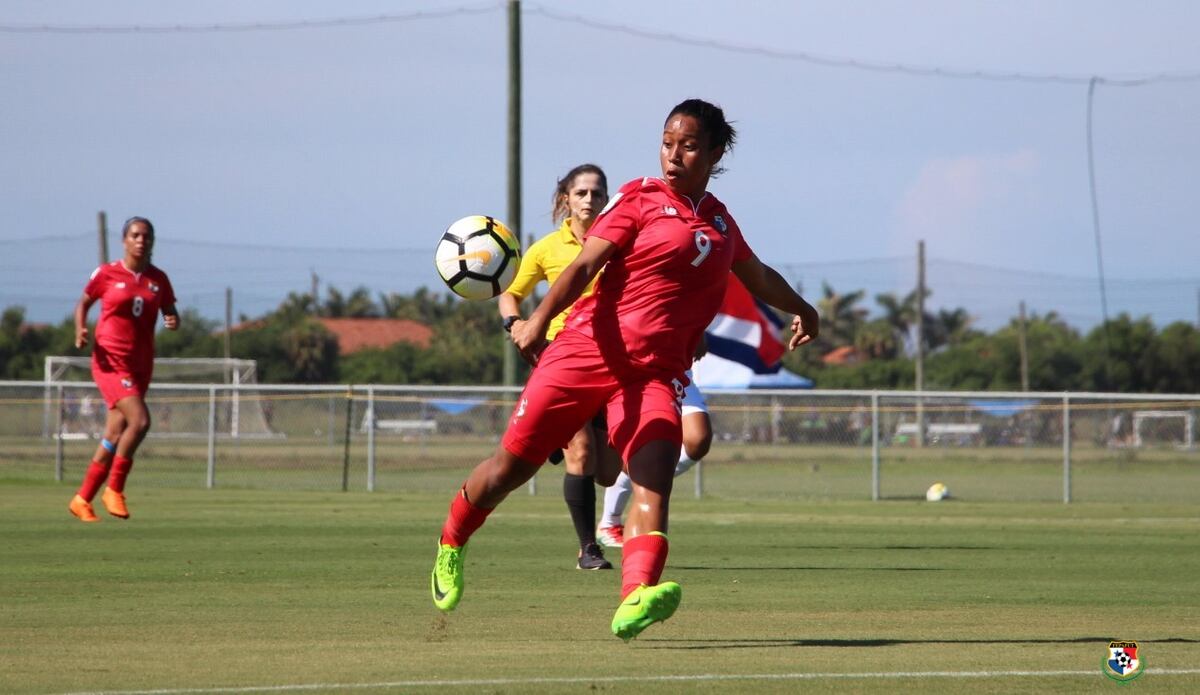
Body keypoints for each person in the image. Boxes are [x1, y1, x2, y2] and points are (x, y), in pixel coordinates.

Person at [431, 98, 819, 641]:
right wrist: (539, 319)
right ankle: (451, 540)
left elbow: (756, 275)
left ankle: (634, 596)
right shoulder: (639, 198)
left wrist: (804, 308)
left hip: (654, 374)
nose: (673, 155)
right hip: (586, 351)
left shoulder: (720, 220)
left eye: (686, 145)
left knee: (652, 484)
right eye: (667, 143)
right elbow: (587, 263)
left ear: (715, 151)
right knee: (509, 470)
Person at [497, 163, 623, 570]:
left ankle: (553, 439)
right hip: (561, 356)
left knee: (607, 472)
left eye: (597, 193)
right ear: (565, 199)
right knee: (581, 451)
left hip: (609, 361)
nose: (589, 199)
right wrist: (514, 325)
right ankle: (588, 548)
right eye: (581, 192)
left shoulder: (621, 243)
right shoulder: (547, 248)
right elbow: (509, 294)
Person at [68, 217, 179, 522]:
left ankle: (82, 498)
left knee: (115, 433)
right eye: (135, 235)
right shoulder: (107, 273)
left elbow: (169, 310)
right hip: (111, 362)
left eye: (146, 236)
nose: (141, 240)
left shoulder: (159, 279)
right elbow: (84, 303)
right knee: (140, 421)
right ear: (124, 240)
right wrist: (80, 329)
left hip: (141, 364)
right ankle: (114, 488)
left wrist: (172, 320)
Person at [596, 363, 711, 548]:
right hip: (643, 371)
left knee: (699, 439)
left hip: (679, 370)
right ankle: (609, 523)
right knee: (635, 450)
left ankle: (643, 478)